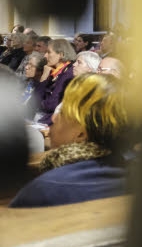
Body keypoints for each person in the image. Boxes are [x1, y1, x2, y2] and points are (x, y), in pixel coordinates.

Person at [10, 73, 131, 207]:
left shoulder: (44, 191)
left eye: (62, 113)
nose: (53, 119)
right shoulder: (138, 179)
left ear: (81, 134)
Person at [33, 39, 76, 125]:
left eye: (49, 52)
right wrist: (44, 76)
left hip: (53, 120)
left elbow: (51, 105)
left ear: (61, 54)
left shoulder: (68, 74)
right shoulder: (54, 71)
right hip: (43, 115)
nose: (45, 56)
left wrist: (42, 103)